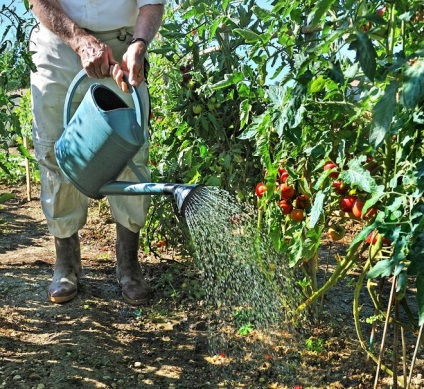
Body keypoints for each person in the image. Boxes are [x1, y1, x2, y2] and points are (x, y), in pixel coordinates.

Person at [28, 0, 166, 305]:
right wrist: (79, 40)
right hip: (58, 43)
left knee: (130, 150)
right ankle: (66, 262)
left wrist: (139, 43)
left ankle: (129, 264)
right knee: (55, 150)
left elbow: (152, 4)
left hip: (122, 46)